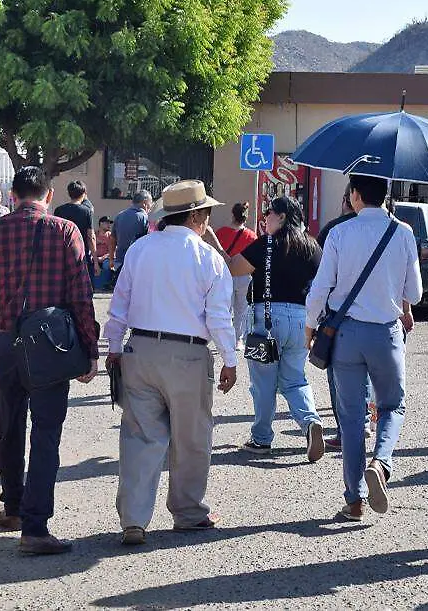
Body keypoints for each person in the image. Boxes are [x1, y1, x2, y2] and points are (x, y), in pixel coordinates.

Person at [0, 166, 99, 555]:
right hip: (48, 345)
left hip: (7, 340)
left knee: (9, 429)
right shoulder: (65, 230)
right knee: (46, 434)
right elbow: (80, 292)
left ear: (13, 193)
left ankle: (12, 507)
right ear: (48, 192)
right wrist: (90, 348)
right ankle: (36, 526)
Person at [104, 180, 237, 546]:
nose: (208, 219)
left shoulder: (139, 250)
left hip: (140, 349)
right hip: (189, 354)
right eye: (206, 213)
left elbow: (119, 306)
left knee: (140, 436)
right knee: (192, 437)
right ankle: (189, 512)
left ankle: (134, 518)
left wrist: (114, 347)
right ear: (196, 216)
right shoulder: (208, 257)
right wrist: (230, 359)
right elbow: (219, 318)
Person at [305, 174, 420, 522]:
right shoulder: (403, 232)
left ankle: (353, 500)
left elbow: (321, 287)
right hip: (385, 333)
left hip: (346, 334)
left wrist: (310, 327)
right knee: (391, 406)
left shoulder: (340, 233)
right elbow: (413, 293)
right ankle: (381, 464)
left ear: (355, 195)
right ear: (384, 196)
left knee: (350, 418)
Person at [229, 196, 325, 460]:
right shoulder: (313, 247)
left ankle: (261, 439)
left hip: (266, 321)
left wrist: (215, 243)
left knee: (263, 383)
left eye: (269, 212)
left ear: (282, 217)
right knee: (295, 379)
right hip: (301, 322)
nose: (265, 217)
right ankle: (310, 422)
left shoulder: (266, 244)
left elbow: (234, 268)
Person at [315, 185, 360, 451]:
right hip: (382, 321)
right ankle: (369, 425)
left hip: (339, 316)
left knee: (338, 378)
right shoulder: (397, 230)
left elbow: (319, 277)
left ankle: (345, 431)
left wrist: (311, 322)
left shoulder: (334, 230)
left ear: (351, 198)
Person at [216, 202, 258, 345]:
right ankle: (237, 339)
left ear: (233, 215)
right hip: (245, 277)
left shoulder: (221, 233)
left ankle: (225, 340)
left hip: (225, 275)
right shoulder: (252, 236)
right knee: (241, 309)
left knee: (225, 310)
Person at [54, 180, 96, 280]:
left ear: (69, 193)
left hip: (62, 252)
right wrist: (95, 261)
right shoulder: (86, 211)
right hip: (81, 252)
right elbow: (90, 237)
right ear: (83, 193)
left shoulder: (59, 210)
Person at [112, 190, 152, 279]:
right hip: (138, 263)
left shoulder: (119, 216)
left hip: (120, 262)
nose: (151, 207)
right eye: (150, 203)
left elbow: (112, 239)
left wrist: (111, 259)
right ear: (145, 203)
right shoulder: (145, 218)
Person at [93, 216, 115, 291]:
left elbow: (113, 250)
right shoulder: (94, 234)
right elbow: (90, 248)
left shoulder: (111, 235)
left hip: (106, 259)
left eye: (109, 223)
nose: (109, 225)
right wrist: (95, 258)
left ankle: (106, 285)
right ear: (101, 223)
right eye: (107, 223)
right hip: (94, 258)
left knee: (107, 265)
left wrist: (103, 257)